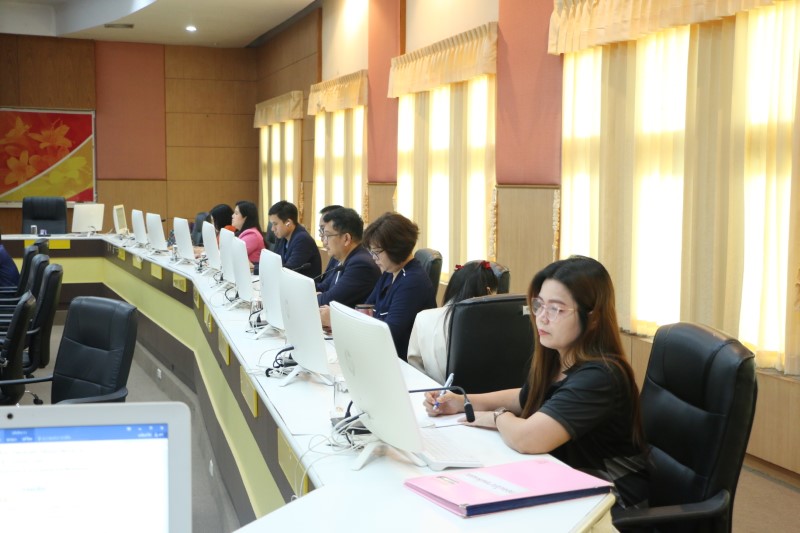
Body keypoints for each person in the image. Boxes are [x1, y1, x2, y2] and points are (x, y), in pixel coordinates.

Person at [424, 256, 649, 509]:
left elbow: (527, 439)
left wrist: (496, 417)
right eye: (539, 305)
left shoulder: (601, 376)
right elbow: (525, 397)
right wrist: (461, 401)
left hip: (610, 500)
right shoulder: (559, 358)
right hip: (567, 479)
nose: (541, 317)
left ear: (593, 318)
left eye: (556, 309)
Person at [407, 260, 498, 384]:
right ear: (488, 291)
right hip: (483, 394)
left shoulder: (422, 318)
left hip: (431, 392)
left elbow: (414, 364)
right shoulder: (495, 324)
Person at [361, 212, 436, 360]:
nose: (374, 258)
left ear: (395, 248)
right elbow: (365, 309)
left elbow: (389, 333)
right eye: (371, 252)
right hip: (382, 354)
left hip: (401, 362)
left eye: (377, 252)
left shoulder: (413, 282)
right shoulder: (389, 273)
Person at [316, 207, 380, 309]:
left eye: (328, 236)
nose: (324, 241)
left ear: (346, 238)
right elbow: (325, 287)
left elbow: (328, 301)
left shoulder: (361, 265)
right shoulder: (343, 259)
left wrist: (317, 296)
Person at [268, 200, 321, 279]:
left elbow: (289, 269)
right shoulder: (281, 237)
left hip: (303, 285)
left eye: (275, 224)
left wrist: (258, 268)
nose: (272, 229)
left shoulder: (303, 239)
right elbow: (275, 263)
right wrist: (255, 267)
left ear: (288, 223)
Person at [318, 204, 343, 283]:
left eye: (323, 229)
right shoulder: (336, 253)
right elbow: (325, 284)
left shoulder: (358, 263)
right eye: (321, 229)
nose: (321, 234)